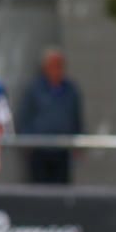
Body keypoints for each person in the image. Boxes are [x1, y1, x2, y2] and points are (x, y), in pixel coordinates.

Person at [18, 48, 83, 184]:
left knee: (61, 190)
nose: (56, 70)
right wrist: (26, 141)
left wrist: (78, 140)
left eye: (60, 66)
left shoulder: (71, 89)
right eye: (53, 66)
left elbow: (76, 116)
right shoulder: (34, 89)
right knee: (39, 190)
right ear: (45, 68)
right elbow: (24, 116)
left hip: (62, 150)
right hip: (39, 150)